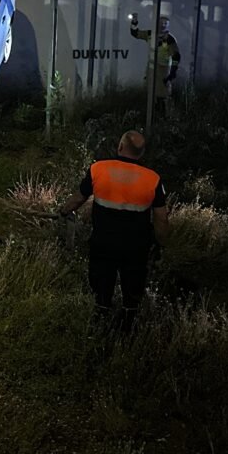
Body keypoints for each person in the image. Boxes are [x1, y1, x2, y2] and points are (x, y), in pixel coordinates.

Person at [58, 130, 170, 330]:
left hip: (103, 243)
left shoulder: (98, 169)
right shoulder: (153, 179)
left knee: (101, 287)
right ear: (141, 153)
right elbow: (161, 218)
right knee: (132, 291)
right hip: (136, 247)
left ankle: (100, 324)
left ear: (119, 146)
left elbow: (78, 198)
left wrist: (63, 211)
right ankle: (127, 327)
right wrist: (162, 244)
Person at [130, 14, 182, 113]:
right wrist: (134, 22)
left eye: (165, 23)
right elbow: (135, 33)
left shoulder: (170, 39)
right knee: (150, 93)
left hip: (163, 69)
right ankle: (152, 115)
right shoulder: (150, 34)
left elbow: (176, 56)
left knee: (162, 95)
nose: (163, 25)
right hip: (151, 68)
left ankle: (163, 116)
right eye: (161, 23)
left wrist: (172, 72)